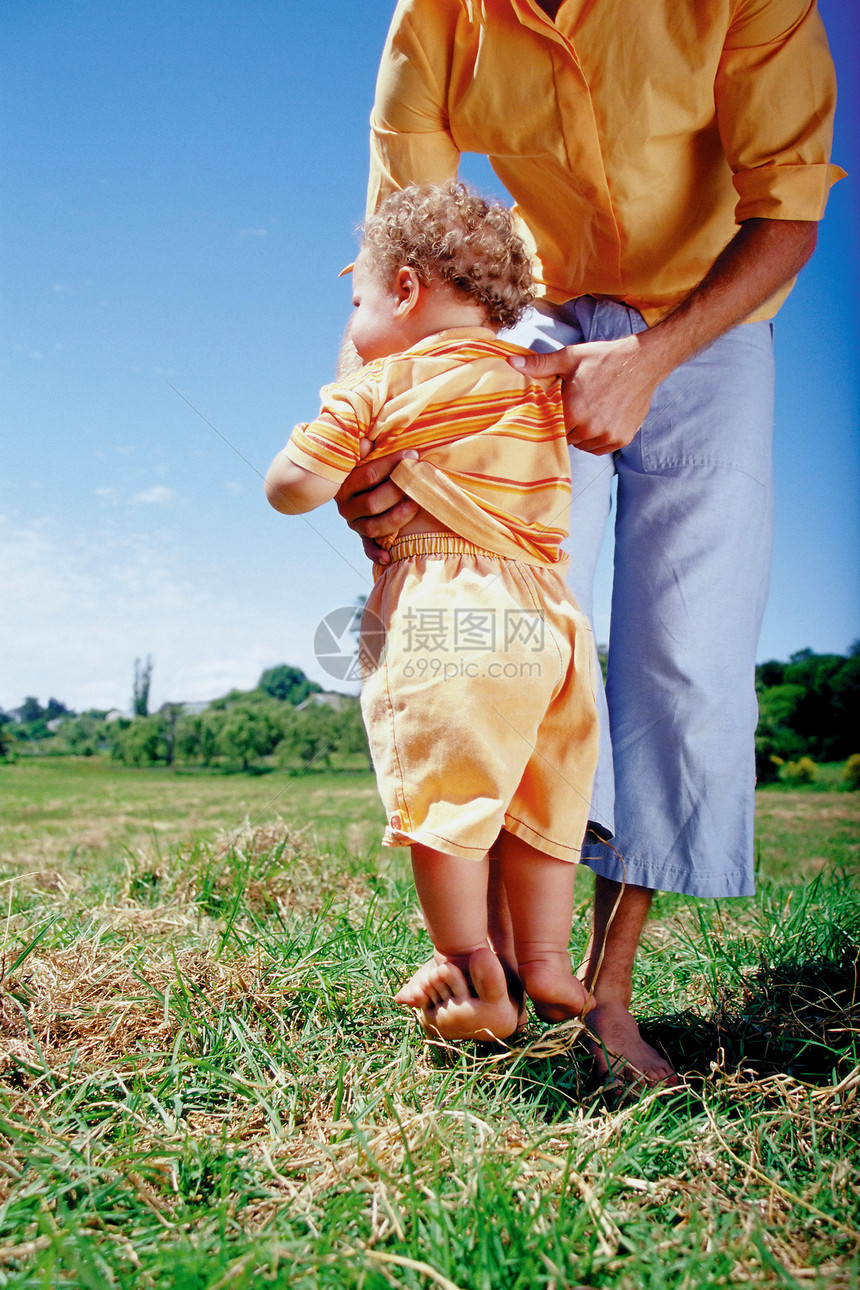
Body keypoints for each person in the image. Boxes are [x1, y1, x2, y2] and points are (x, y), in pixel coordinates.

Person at [334, 0, 844, 1083]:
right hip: (533, 319)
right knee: (501, 628)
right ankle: (507, 967)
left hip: (709, 318)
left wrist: (650, 358)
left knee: (684, 663)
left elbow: (787, 214)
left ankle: (604, 996)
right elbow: (401, 253)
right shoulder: (436, 19)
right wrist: (370, 451)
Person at [266, 181, 600, 1042]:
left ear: (407, 291)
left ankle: (474, 971)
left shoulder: (385, 383)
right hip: (554, 621)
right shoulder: (535, 384)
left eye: (358, 303)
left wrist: (328, 433)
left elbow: (291, 489)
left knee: (450, 804)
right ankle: (551, 963)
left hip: (456, 610)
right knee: (539, 798)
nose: (355, 325)